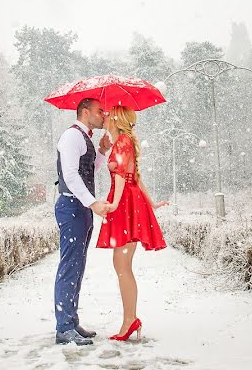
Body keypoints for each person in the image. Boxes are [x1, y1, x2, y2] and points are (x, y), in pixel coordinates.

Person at [96, 104, 168, 341]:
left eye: (108, 114)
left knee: (122, 265)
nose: (104, 116)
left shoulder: (122, 142)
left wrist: (115, 204)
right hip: (129, 201)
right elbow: (134, 176)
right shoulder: (122, 142)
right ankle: (130, 319)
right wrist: (152, 203)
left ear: (116, 119)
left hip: (126, 203)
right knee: (122, 265)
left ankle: (130, 320)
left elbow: (120, 177)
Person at [53, 97, 113, 346]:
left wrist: (101, 151)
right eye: (101, 111)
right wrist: (93, 203)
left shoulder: (85, 138)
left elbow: (89, 171)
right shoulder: (72, 136)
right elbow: (69, 174)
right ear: (85, 111)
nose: (104, 115)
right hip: (71, 206)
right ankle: (64, 327)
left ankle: (71, 321)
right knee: (69, 267)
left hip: (81, 208)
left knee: (77, 266)